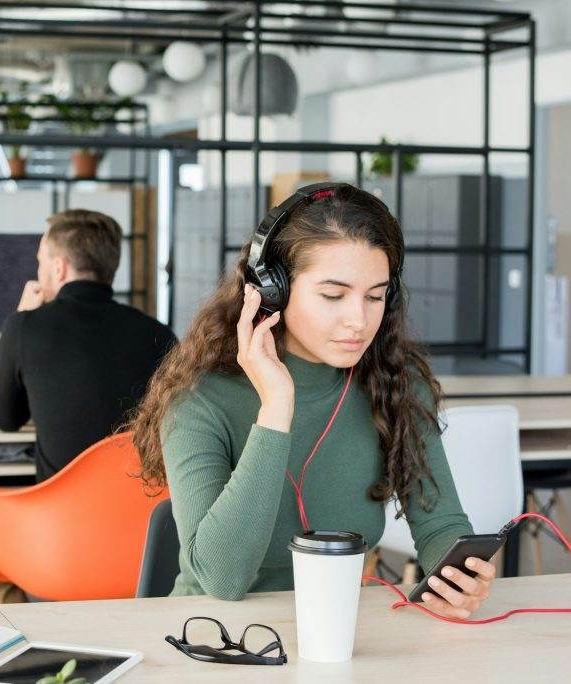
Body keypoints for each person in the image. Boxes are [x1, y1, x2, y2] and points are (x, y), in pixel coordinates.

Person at [130, 183, 496, 619]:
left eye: (375, 296)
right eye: (333, 295)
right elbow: (222, 579)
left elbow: (440, 525)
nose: (359, 320)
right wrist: (277, 407)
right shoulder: (198, 399)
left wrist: (457, 580)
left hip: (338, 629)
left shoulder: (396, 383)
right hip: (214, 636)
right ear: (271, 291)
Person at [0, 209, 177, 604]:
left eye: (40, 260)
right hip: (145, 544)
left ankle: (26, 647)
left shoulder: (26, 327)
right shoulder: (158, 334)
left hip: (58, 542)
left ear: (58, 268)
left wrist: (23, 318)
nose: (39, 268)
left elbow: (4, 417)